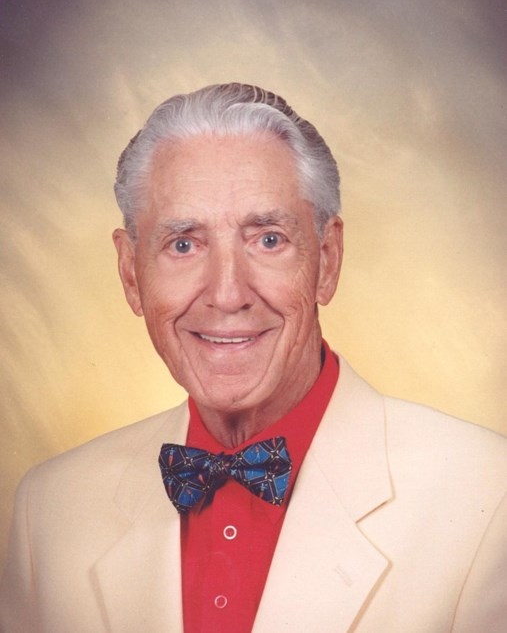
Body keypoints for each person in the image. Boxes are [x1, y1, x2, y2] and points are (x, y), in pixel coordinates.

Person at [0, 83, 506, 633]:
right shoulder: (49, 509)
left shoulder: (487, 495)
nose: (226, 294)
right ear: (130, 273)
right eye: (184, 244)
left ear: (328, 260)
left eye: (267, 239)